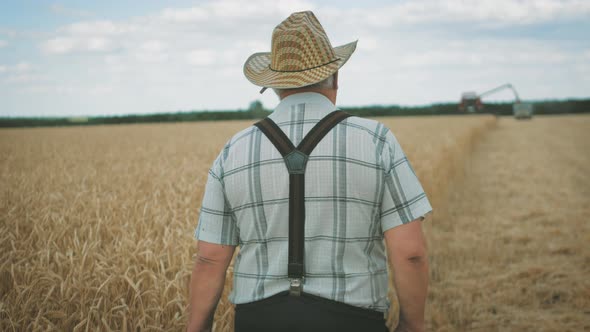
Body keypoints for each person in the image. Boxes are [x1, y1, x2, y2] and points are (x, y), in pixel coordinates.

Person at [187, 11, 432, 332]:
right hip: (352, 321)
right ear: (336, 77)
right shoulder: (377, 141)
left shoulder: (233, 150)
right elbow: (411, 254)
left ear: (275, 87)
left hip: (259, 321)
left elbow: (209, 259)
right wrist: (412, 326)